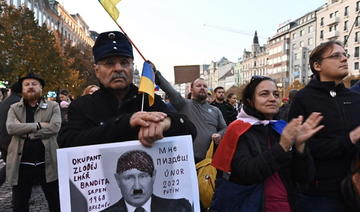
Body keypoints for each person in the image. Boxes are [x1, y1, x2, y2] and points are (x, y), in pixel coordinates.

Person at [58, 31, 196, 148]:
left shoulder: (149, 100)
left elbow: (190, 131)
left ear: (131, 67)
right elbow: (67, 142)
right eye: (109, 63)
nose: (118, 68)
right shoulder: (82, 106)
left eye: (124, 62)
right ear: (97, 70)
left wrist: (167, 123)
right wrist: (125, 123)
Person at [211, 76, 324, 212]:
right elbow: (247, 173)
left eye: (276, 94)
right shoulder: (237, 129)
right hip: (252, 205)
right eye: (264, 94)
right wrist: (282, 147)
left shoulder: (281, 127)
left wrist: (300, 146)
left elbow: (304, 177)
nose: (272, 98)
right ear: (250, 101)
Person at [288, 40, 360, 212]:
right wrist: (349, 139)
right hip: (320, 195)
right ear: (317, 65)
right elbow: (301, 149)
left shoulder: (355, 98)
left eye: (345, 55)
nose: (344, 59)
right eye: (336, 55)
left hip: (355, 190)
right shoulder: (303, 99)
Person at [6, 73, 61, 212]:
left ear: (41, 88)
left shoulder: (53, 106)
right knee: (20, 204)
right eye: (27, 84)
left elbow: (55, 127)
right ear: (22, 89)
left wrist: (24, 132)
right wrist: (38, 125)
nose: (30, 87)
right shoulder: (14, 108)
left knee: (55, 202)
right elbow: (11, 128)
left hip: (48, 163)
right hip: (21, 165)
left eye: (34, 84)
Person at [155, 73, 226, 163]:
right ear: (191, 89)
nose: (202, 88)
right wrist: (156, 74)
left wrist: (219, 134)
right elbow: (171, 91)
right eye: (198, 85)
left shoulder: (215, 110)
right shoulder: (183, 104)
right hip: (188, 159)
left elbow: (225, 128)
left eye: (205, 86)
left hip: (209, 161)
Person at [102, 150, 192, 212]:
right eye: (129, 178)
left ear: (153, 176)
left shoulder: (179, 208)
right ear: (118, 180)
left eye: (143, 176)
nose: (137, 187)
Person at [0, 82, 22, 187]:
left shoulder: (5, 101)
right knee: (12, 166)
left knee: (13, 167)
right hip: (12, 141)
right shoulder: (18, 102)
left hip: (3, 139)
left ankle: (19, 196)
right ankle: (19, 198)